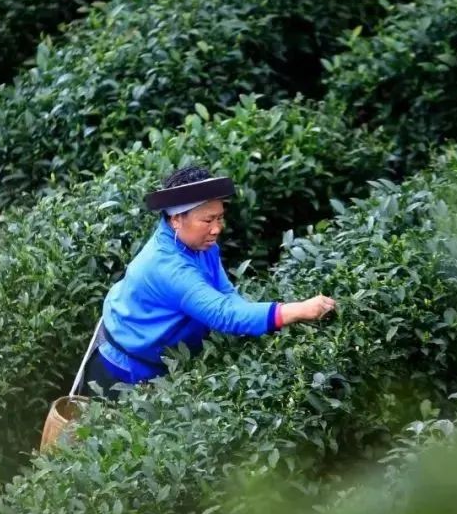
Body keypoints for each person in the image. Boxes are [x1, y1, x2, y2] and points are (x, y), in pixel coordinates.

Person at [81, 165, 336, 399]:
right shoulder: (168, 268)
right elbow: (223, 313)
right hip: (121, 374)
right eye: (207, 220)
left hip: (160, 362)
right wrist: (298, 310)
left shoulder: (200, 245)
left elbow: (225, 294)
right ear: (176, 219)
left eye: (219, 218)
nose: (216, 228)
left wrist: (255, 321)